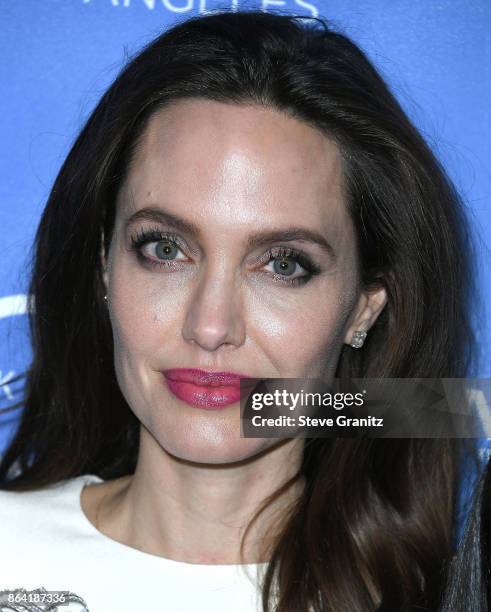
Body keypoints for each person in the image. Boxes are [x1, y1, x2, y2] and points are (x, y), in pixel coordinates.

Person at [0, 9, 479, 612]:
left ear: (365, 307)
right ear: (104, 264)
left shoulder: (432, 597)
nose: (209, 326)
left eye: (283, 264)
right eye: (166, 249)